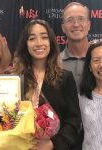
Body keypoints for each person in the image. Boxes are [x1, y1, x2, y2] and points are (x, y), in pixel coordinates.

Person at [12, 19, 82, 150]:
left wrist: (53, 144)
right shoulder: (14, 78)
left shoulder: (65, 77)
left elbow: (74, 120)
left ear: (51, 42)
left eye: (44, 37)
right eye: (32, 38)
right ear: (25, 44)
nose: (39, 43)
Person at [61, 2, 91, 90]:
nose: (76, 24)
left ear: (89, 25)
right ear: (63, 28)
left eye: (81, 19)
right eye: (70, 20)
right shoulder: (54, 64)